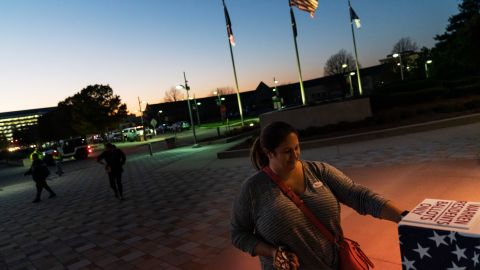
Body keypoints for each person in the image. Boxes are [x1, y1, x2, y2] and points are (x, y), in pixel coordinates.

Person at [231, 121, 406, 270]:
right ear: (270, 153)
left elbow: (360, 196)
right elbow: (238, 234)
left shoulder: (318, 171)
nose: (295, 155)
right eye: (287, 152)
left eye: (297, 148)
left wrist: (404, 218)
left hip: (334, 265)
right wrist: (272, 252)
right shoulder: (253, 189)